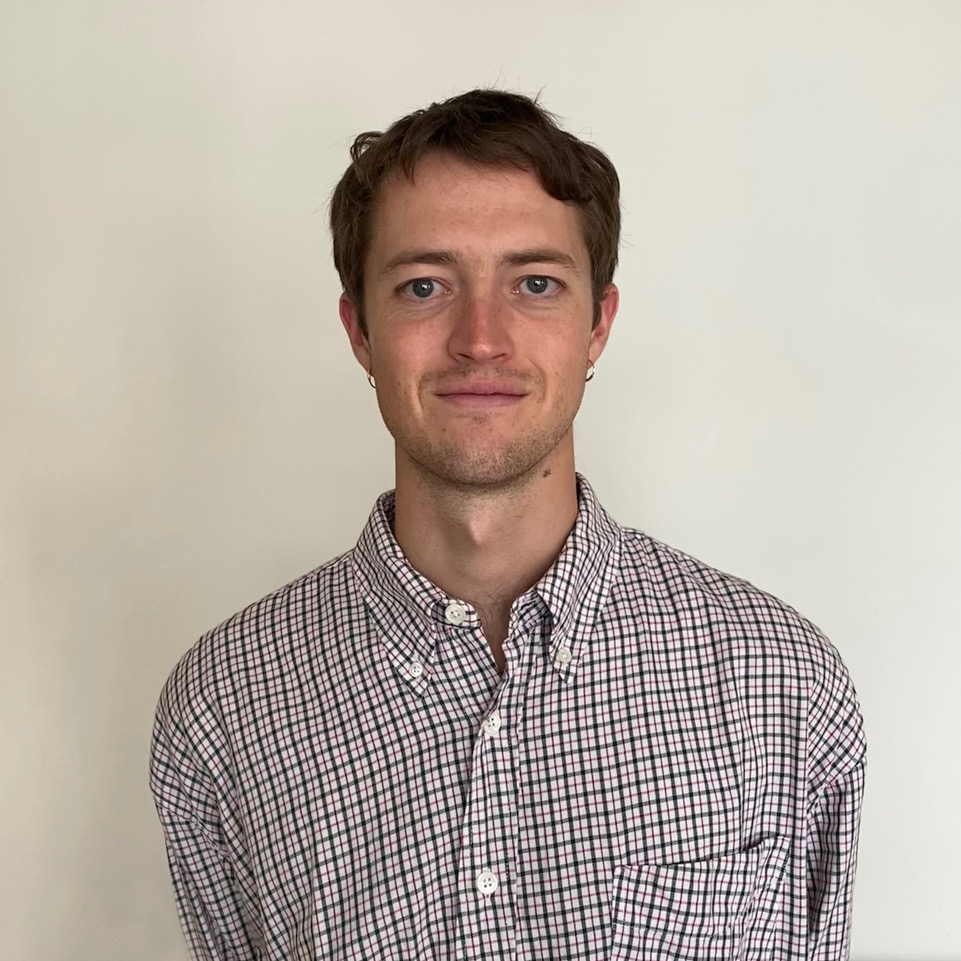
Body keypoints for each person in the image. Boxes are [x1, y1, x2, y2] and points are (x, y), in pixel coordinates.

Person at [150, 89, 865, 960]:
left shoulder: (778, 683)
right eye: (424, 286)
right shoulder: (223, 708)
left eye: (534, 284)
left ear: (596, 325)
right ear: (360, 331)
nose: (481, 338)